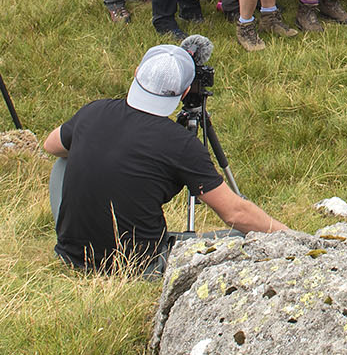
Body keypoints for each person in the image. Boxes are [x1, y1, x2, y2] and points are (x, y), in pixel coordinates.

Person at [44, 44, 286, 274]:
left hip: (72, 255)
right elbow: (235, 214)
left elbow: (51, 145)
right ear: (185, 92)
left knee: (63, 159)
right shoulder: (180, 144)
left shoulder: (94, 111)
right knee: (244, 236)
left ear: (137, 73)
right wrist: (292, 237)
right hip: (139, 264)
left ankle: (75, 234)